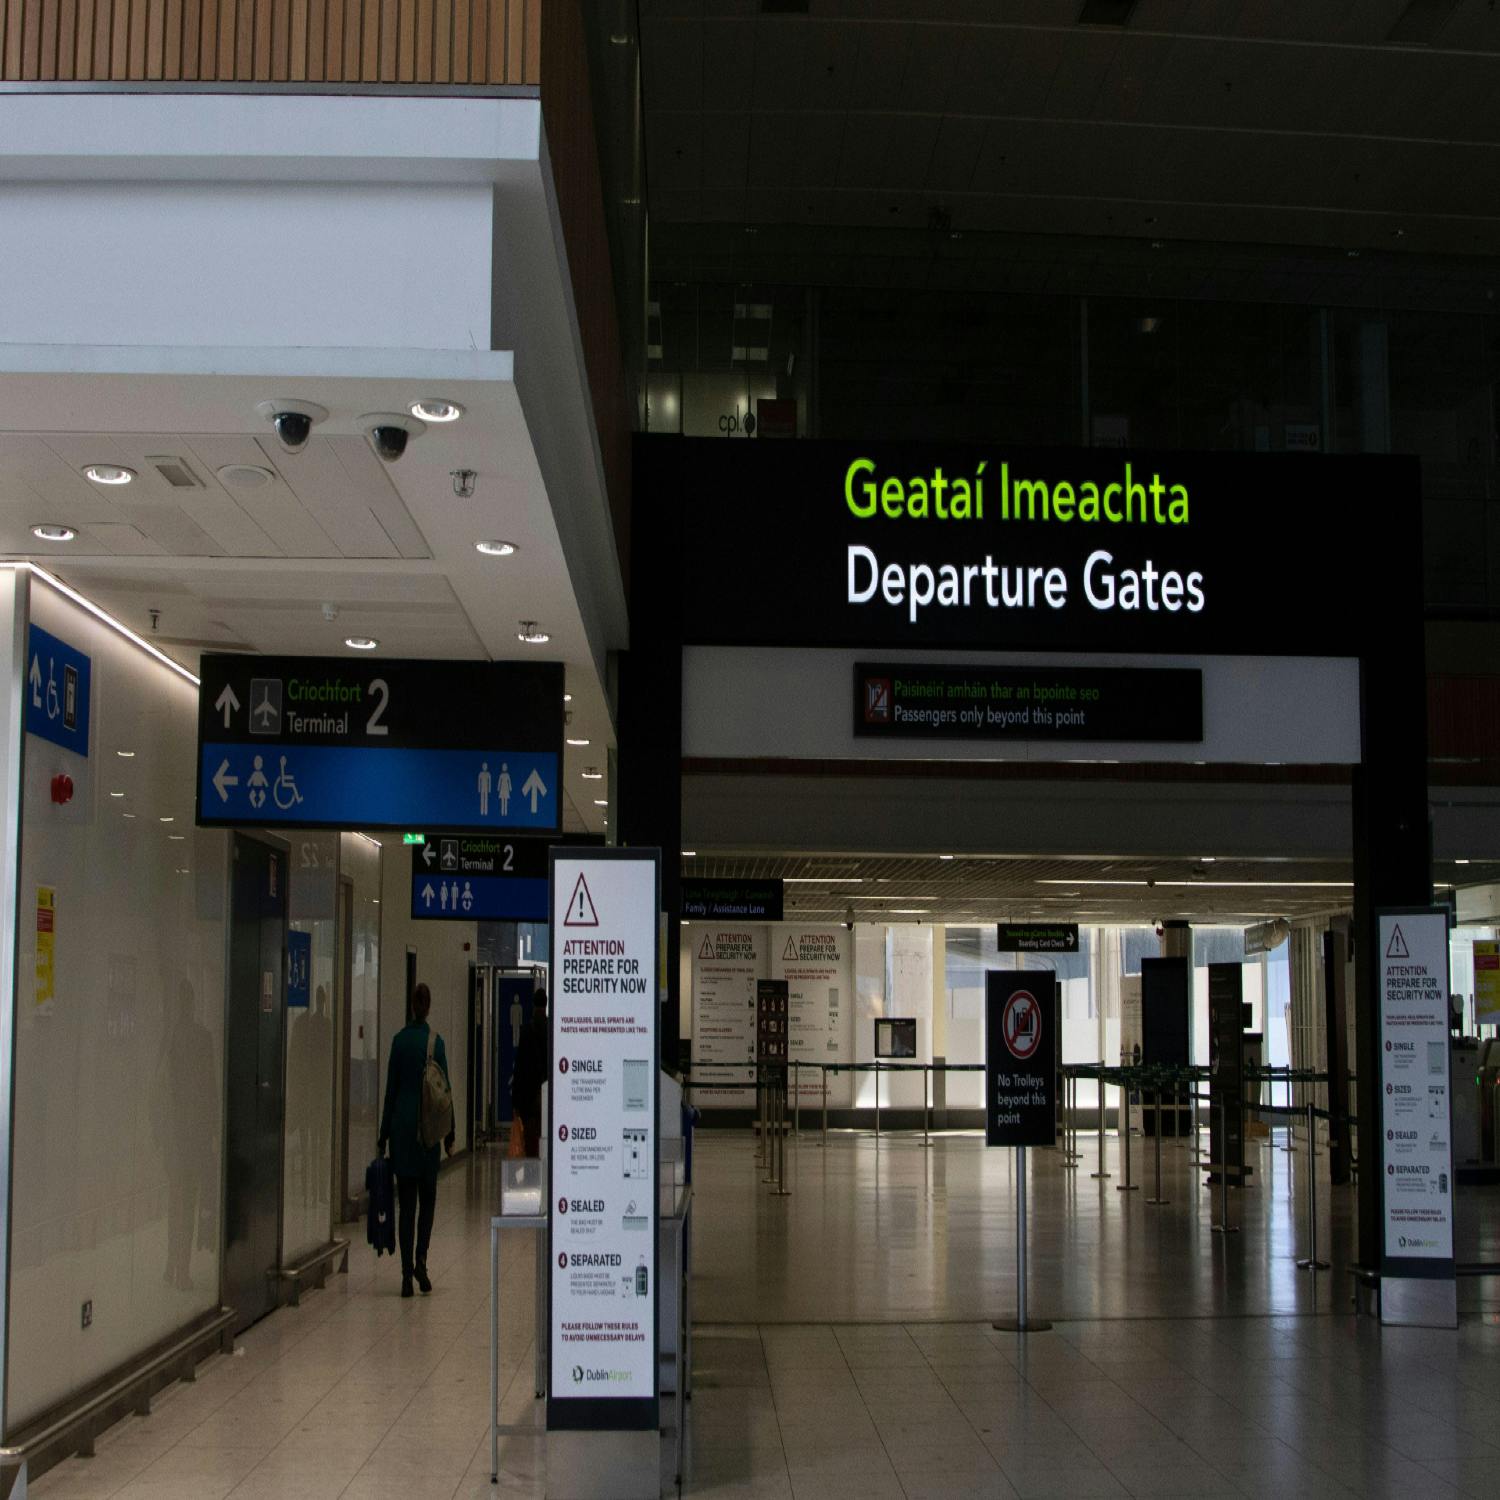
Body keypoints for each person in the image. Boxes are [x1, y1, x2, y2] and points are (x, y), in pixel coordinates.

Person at [378, 982, 455, 1297]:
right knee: (428, 1201)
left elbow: (390, 1093)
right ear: (429, 1006)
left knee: (406, 1204)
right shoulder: (436, 1044)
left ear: (411, 1005)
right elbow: (444, 1094)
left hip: (402, 1133)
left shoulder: (398, 1042)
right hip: (427, 1135)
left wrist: (383, 1135)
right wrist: (450, 1134)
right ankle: (422, 1258)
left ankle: (406, 1276)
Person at [512, 988, 549, 1157]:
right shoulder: (552, 1029)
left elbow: (519, 1067)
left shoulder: (527, 1030)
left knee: (531, 1141)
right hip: (547, 1094)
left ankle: (533, 1174)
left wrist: (516, 1103)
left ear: (533, 1005)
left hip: (529, 1097)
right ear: (546, 1004)